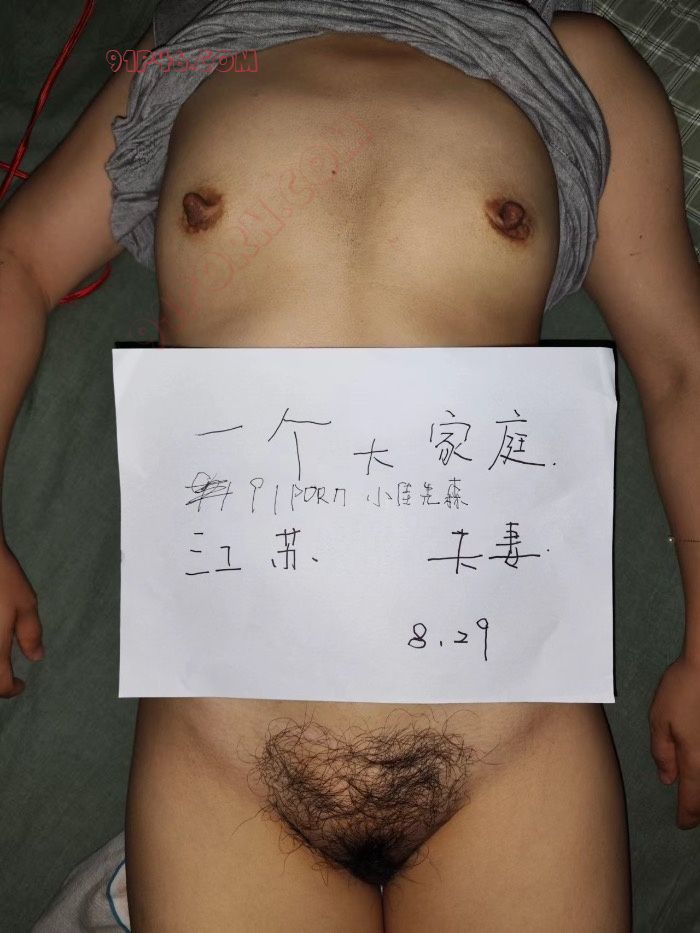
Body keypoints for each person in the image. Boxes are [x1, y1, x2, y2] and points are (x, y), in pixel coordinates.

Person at [2, 1, 699, 930]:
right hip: (222, 760)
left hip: (515, 748)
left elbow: (679, 365)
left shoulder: (574, 60)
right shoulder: (196, 48)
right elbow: (19, 259)